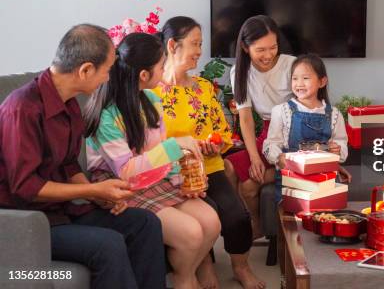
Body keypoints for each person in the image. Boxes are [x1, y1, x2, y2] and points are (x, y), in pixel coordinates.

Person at [0, 24, 166, 289]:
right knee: (108, 246)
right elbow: (25, 187)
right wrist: (94, 189)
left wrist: (98, 195)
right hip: (27, 221)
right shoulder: (22, 108)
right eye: (107, 70)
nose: (110, 78)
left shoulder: (71, 103)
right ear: (86, 69)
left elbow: (67, 164)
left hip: (62, 210)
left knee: (145, 222)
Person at [84, 32, 221, 289]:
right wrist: (174, 146)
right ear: (144, 75)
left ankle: (184, 274)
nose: (165, 71)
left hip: (153, 176)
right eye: (161, 66)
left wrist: (181, 180)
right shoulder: (107, 117)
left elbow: (158, 151)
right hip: (121, 184)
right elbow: (127, 171)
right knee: (190, 233)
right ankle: (185, 281)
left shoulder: (150, 100)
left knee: (211, 222)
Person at [154, 16, 265, 289]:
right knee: (208, 214)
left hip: (210, 166)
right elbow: (146, 143)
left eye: (200, 44)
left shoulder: (204, 88)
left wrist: (216, 145)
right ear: (172, 45)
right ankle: (203, 265)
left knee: (237, 215)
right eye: (194, 44)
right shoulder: (152, 92)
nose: (199, 51)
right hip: (172, 172)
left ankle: (241, 267)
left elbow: (223, 131)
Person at [225, 15, 296, 238]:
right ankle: (247, 222)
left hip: (293, 132)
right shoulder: (240, 71)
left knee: (248, 185)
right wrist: (255, 157)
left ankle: (257, 226)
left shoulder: (292, 65)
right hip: (266, 132)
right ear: (245, 48)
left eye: (273, 47)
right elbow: (245, 117)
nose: (268, 55)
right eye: (260, 50)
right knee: (227, 167)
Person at [263, 54, 349, 202]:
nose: (299, 83)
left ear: (322, 82)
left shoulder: (334, 114)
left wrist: (337, 150)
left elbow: (341, 145)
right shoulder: (281, 111)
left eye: (306, 78)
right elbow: (271, 144)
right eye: (295, 78)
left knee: (324, 215)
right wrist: (279, 157)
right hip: (291, 181)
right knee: (292, 219)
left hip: (324, 182)